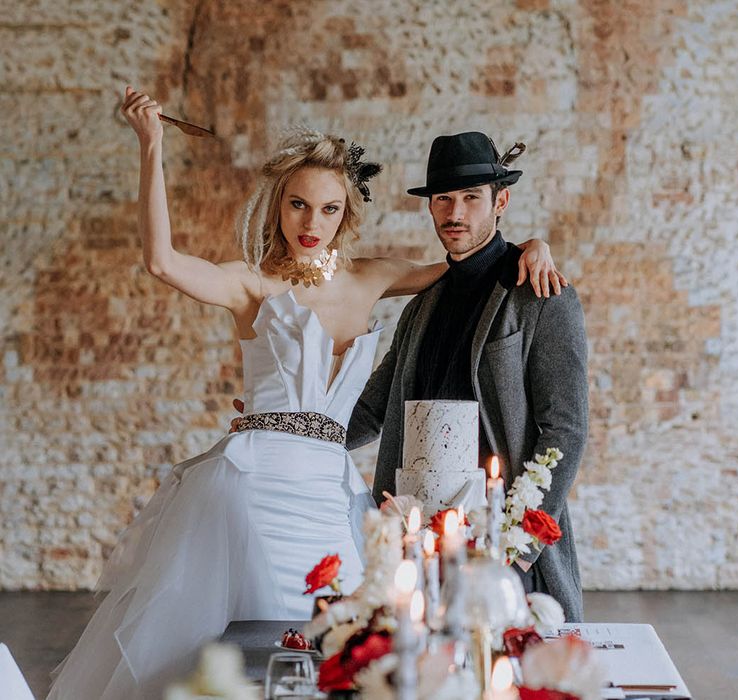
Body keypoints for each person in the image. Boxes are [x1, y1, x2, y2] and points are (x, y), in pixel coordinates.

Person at [47, 90, 564, 700]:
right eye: (297, 205)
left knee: (339, 644)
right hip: (253, 492)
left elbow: (471, 258)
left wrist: (534, 245)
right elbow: (161, 262)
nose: (310, 223)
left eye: (326, 208)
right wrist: (151, 144)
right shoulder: (252, 284)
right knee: (253, 647)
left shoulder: (374, 276)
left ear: (344, 214)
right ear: (279, 207)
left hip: (332, 496)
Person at [346, 131, 590, 622]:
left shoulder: (542, 296)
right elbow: (373, 409)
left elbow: (566, 429)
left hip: (503, 546)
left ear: (500, 201)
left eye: (471, 198)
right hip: (416, 543)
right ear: (431, 207)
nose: (455, 213)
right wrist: (288, 432)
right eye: (444, 199)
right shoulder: (420, 307)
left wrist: (519, 544)